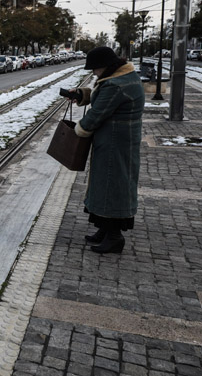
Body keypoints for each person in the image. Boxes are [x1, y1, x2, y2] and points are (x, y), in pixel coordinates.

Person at [70, 46, 144, 254]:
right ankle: (104, 228)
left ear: (106, 66)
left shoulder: (116, 85)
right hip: (116, 141)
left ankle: (114, 237)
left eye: (95, 69)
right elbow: (100, 99)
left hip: (115, 143)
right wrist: (81, 95)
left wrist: (79, 129)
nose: (93, 73)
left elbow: (97, 113)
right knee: (105, 184)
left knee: (111, 186)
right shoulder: (122, 77)